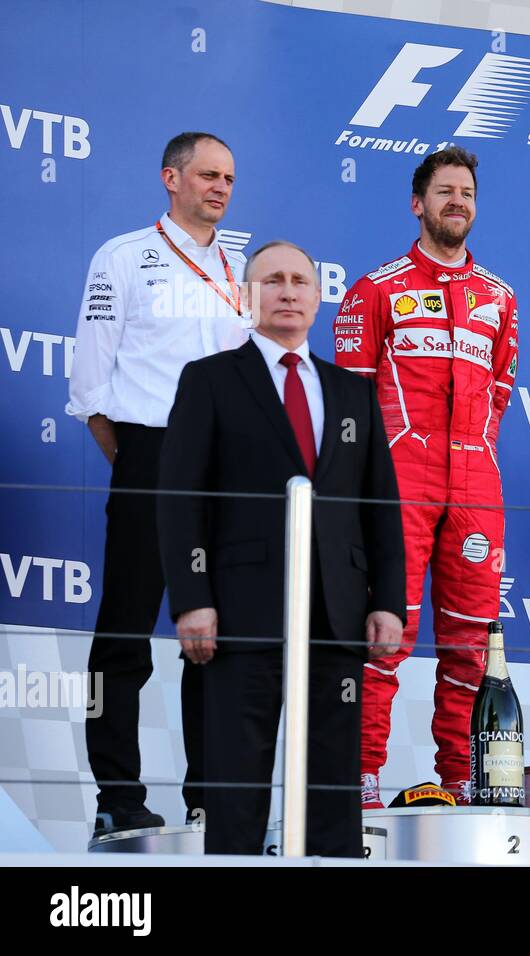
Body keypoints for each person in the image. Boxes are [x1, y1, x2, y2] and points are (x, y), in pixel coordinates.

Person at [157, 241, 405, 855]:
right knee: (236, 788)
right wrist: (193, 598)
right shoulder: (209, 379)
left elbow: (380, 505)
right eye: (272, 281)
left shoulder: (352, 393)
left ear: (318, 299)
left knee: (332, 789)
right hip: (240, 616)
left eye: (300, 281)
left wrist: (389, 602)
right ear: (248, 296)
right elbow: (180, 497)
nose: (288, 291)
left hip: (336, 616)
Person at [66, 131, 249, 836]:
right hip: (151, 454)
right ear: (170, 178)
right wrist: (145, 465)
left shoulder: (241, 269)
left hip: (227, 474)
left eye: (229, 177)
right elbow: (89, 388)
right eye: (207, 174)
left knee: (216, 641)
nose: (221, 188)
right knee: (125, 636)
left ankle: (211, 796)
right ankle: (118, 796)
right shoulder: (122, 258)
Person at [334, 147, 520, 806]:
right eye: (445, 192)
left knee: (472, 645)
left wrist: (471, 457)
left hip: (475, 487)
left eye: (467, 193)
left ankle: (461, 780)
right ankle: (358, 781)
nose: (457, 203)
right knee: (382, 634)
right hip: (397, 487)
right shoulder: (376, 289)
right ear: (418, 203)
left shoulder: (499, 298)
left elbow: (499, 393)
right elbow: (349, 410)